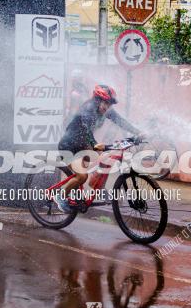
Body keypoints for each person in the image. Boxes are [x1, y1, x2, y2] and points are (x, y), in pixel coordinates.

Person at [54, 84, 142, 213]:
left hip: (83, 145)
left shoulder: (106, 110)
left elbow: (120, 121)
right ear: (97, 100)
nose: (107, 107)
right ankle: (60, 197)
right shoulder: (88, 109)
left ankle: (93, 189)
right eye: (105, 102)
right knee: (82, 176)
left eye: (110, 104)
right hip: (69, 146)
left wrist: (137, 132)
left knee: (104, 160)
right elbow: (86, 130)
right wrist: (95, 144)